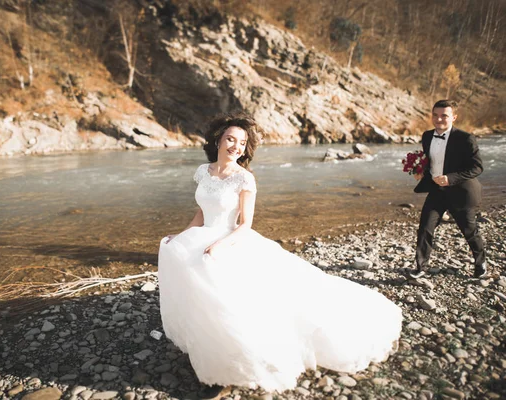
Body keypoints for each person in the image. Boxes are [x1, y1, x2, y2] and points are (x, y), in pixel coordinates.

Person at [158, 112, 402, 393]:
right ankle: (206, 344)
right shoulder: (204, 171)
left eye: (242, 142)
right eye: (231, 139)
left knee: (233, 304)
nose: (236, 146)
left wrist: (219, 245)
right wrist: (183, 234)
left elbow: (245, 224)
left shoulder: (244, 179)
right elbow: (201, 211)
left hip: (231, 239)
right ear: (219, 140)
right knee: (186, 272)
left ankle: (233, 368)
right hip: (203, 235)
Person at [408, 100, 487, 279]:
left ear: (454, 117)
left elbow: (477, 168)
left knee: (469, 230)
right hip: (437, 191)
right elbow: (431, 162)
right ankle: (421, 267)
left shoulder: (466, 138)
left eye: (444, 115)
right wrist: (420, 171)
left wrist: (450, 178)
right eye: (435, 115)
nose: (439, 119)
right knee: (425, 227)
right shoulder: (427, 136)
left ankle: (481, 261)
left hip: (461, 192)